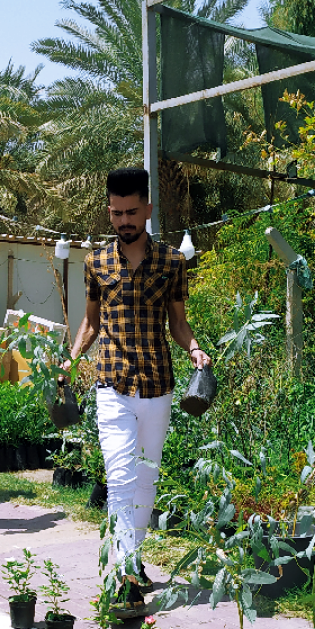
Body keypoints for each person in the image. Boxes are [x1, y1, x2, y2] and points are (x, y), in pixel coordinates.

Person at [69, 167, 210, 606]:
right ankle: (125, 575)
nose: (124, 221)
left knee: (146, 480)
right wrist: (71, 359)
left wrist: (194, 348)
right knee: (120, 479)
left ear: (148, 210)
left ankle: (134, 560)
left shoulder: (172, 262)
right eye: (116, 213)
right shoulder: (96, 263)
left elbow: (178, 323)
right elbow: (90, 323)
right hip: (111, 384)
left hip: (158, 386)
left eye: (131, 212)